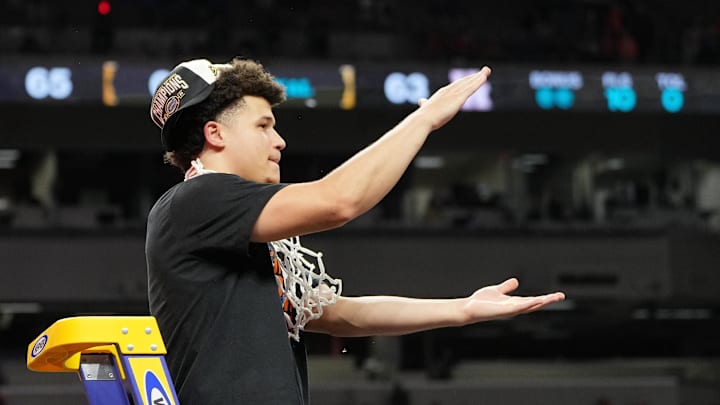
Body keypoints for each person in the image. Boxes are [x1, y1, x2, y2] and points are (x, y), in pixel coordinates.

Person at [146, 57, 565, 405]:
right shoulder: (196, 200)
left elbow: (339, 314)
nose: (280, 141)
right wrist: (424, 121)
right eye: (263, 126)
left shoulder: (222, 220)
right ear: (214, 134)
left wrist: (463, 309)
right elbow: (339, 201)